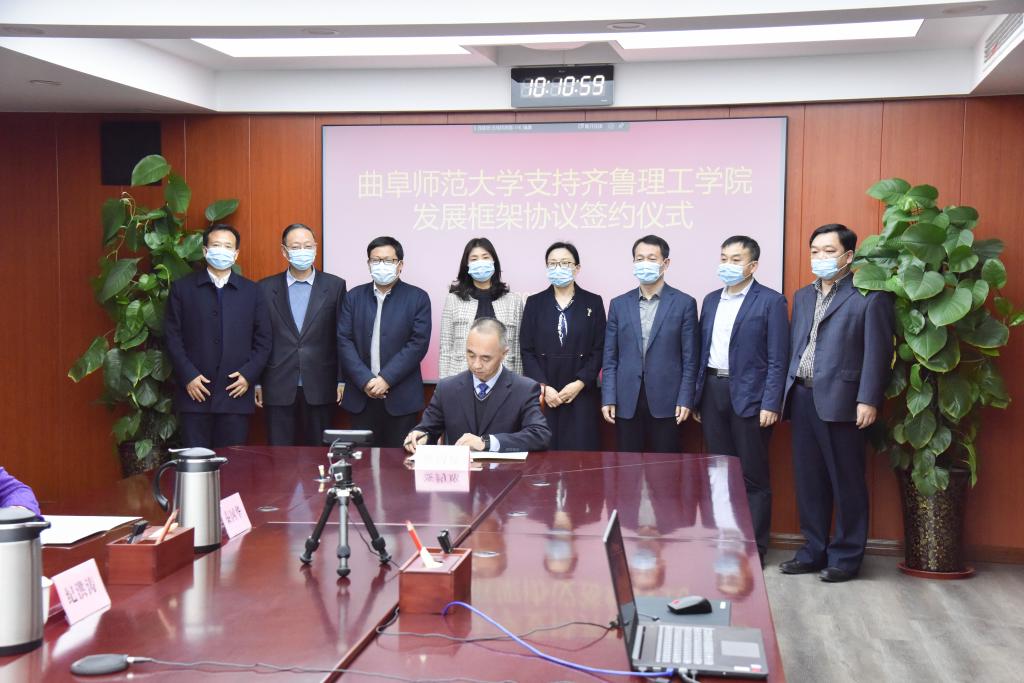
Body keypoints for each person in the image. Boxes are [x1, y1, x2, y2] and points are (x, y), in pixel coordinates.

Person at [779, 223, 894, 583]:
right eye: (815, 251)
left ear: (848, 256)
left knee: (847, 483)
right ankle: (813, 551)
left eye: (829, 251)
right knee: (809, 481)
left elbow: (878, 353)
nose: (820, 257)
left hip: (844, 401)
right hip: (802, 396)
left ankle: (845, 557)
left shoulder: (869, 296)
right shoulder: (803, 295)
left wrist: (868, 399)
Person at [694, 236, 789, 565]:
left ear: (753, 266)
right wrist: (697, 398)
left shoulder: (771, 302)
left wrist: (771, 403)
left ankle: (754, 547)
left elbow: (778, 358)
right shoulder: (710, 300)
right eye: (724, 258)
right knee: (719, 472)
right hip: (713, 391)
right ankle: (724, 539)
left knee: (752, 476)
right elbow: (701, 352)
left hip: (751, 397)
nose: (728, 265)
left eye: (736, 259)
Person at [165, 224, 272, 448]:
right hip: (195, 395)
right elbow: (172, 337)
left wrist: (248, 375)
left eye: (227, 246)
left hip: (235, 393)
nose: (221, 251)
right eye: (216, 245)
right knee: (196, 463)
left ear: (236, 254)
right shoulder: (182, 289)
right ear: (205, 251)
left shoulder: (252, 291)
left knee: (233, 463)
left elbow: (264, 341)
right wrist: (188, 376)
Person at [601, 235, 700, 453]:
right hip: (626, 401)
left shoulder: (684, 303)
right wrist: (608, 397)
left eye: (651, 258)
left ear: (666, 263)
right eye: (639, 258)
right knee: (627, 466)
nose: (644, 263)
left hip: (668, 402)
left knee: (666, 467)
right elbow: (610, 359)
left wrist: (686, 398)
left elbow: (690, 360)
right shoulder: (618, 304)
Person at [255, 224, 347, 446]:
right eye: (296, 247)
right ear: (284, 251)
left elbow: (342, 336)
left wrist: (341, 379)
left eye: (308, 246)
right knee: (279, 455)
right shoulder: (265, 288)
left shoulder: (335, 286)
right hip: (277, 384)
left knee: (319, 454)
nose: (302, 251)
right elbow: (257, 338)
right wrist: (257, 383)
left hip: (321, 383)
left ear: (315, 248)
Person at [404, 317, 550, 454]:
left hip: (505, 471)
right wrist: (419, 437)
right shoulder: (447, 388)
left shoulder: (524, 389)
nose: (476, 365)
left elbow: (539, 435)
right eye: (471, 355)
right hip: (459, 471)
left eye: (486, 358)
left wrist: (487, 443)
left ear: (504, 353)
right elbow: (427, 429)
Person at [338, 236, 431, 447]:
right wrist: (366, 380)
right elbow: (344, 341)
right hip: (361, 396)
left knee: (399, 462)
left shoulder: (418, 298)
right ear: (368, 264)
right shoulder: (353, 297)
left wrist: (385, 379)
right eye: (376, 260)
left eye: (388, 260)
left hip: (401, 399)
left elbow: (418, 344)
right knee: (361, 462)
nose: (381, 265)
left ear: (400, 265)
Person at [521, 242, 606, 451]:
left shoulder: (593, 302)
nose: (558, 268)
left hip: (581, 392)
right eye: (553, 263)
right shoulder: (534, 303)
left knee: (580, 457)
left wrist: (580, 383)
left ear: (577, 268)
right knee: (544, 457)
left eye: (565, 263)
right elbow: (527, 350)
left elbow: (600, 349)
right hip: (544, 394)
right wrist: (543, 386)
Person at [438, 237, 524, 378]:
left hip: (503, 379)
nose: (480, 263)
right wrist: (444, 384)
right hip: (461, 377)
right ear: (467, 265)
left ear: (494, 261)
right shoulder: (453, 299)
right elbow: (446, 348)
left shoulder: (513, 301)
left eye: (485, 257)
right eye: (474, 259)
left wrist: (517, 385)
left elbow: (517, 350)